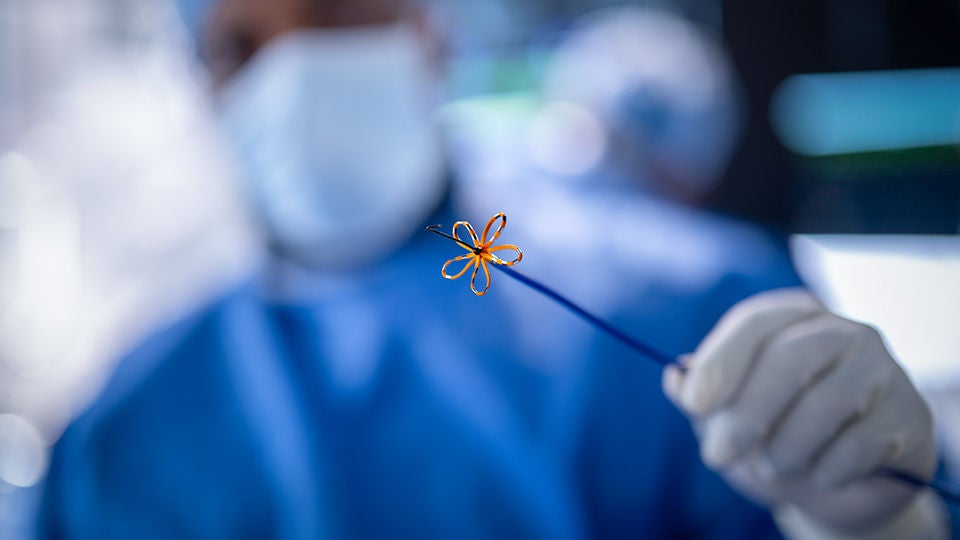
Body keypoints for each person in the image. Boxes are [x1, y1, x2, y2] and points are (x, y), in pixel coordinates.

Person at [37, 0, 944, 538]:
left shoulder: (686, 301)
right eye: (243, 43)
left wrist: (872, 523)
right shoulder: (122, 434)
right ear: (200, 78)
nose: (294, 66)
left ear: (429, 31)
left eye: (337, 10)